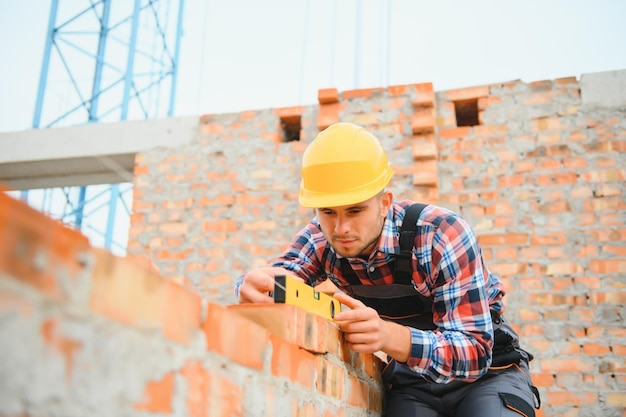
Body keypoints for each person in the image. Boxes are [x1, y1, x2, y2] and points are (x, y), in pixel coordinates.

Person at [235, 122, 540, 416]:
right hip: (414, 383)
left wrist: (387, 336)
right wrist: (252, 286)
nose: (341, 228)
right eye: (328, 212)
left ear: (385, 203)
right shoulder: (319, 238)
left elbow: (474, 353)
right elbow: (276, 279)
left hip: (489, 375)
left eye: (355, 210)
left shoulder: (441, 234)